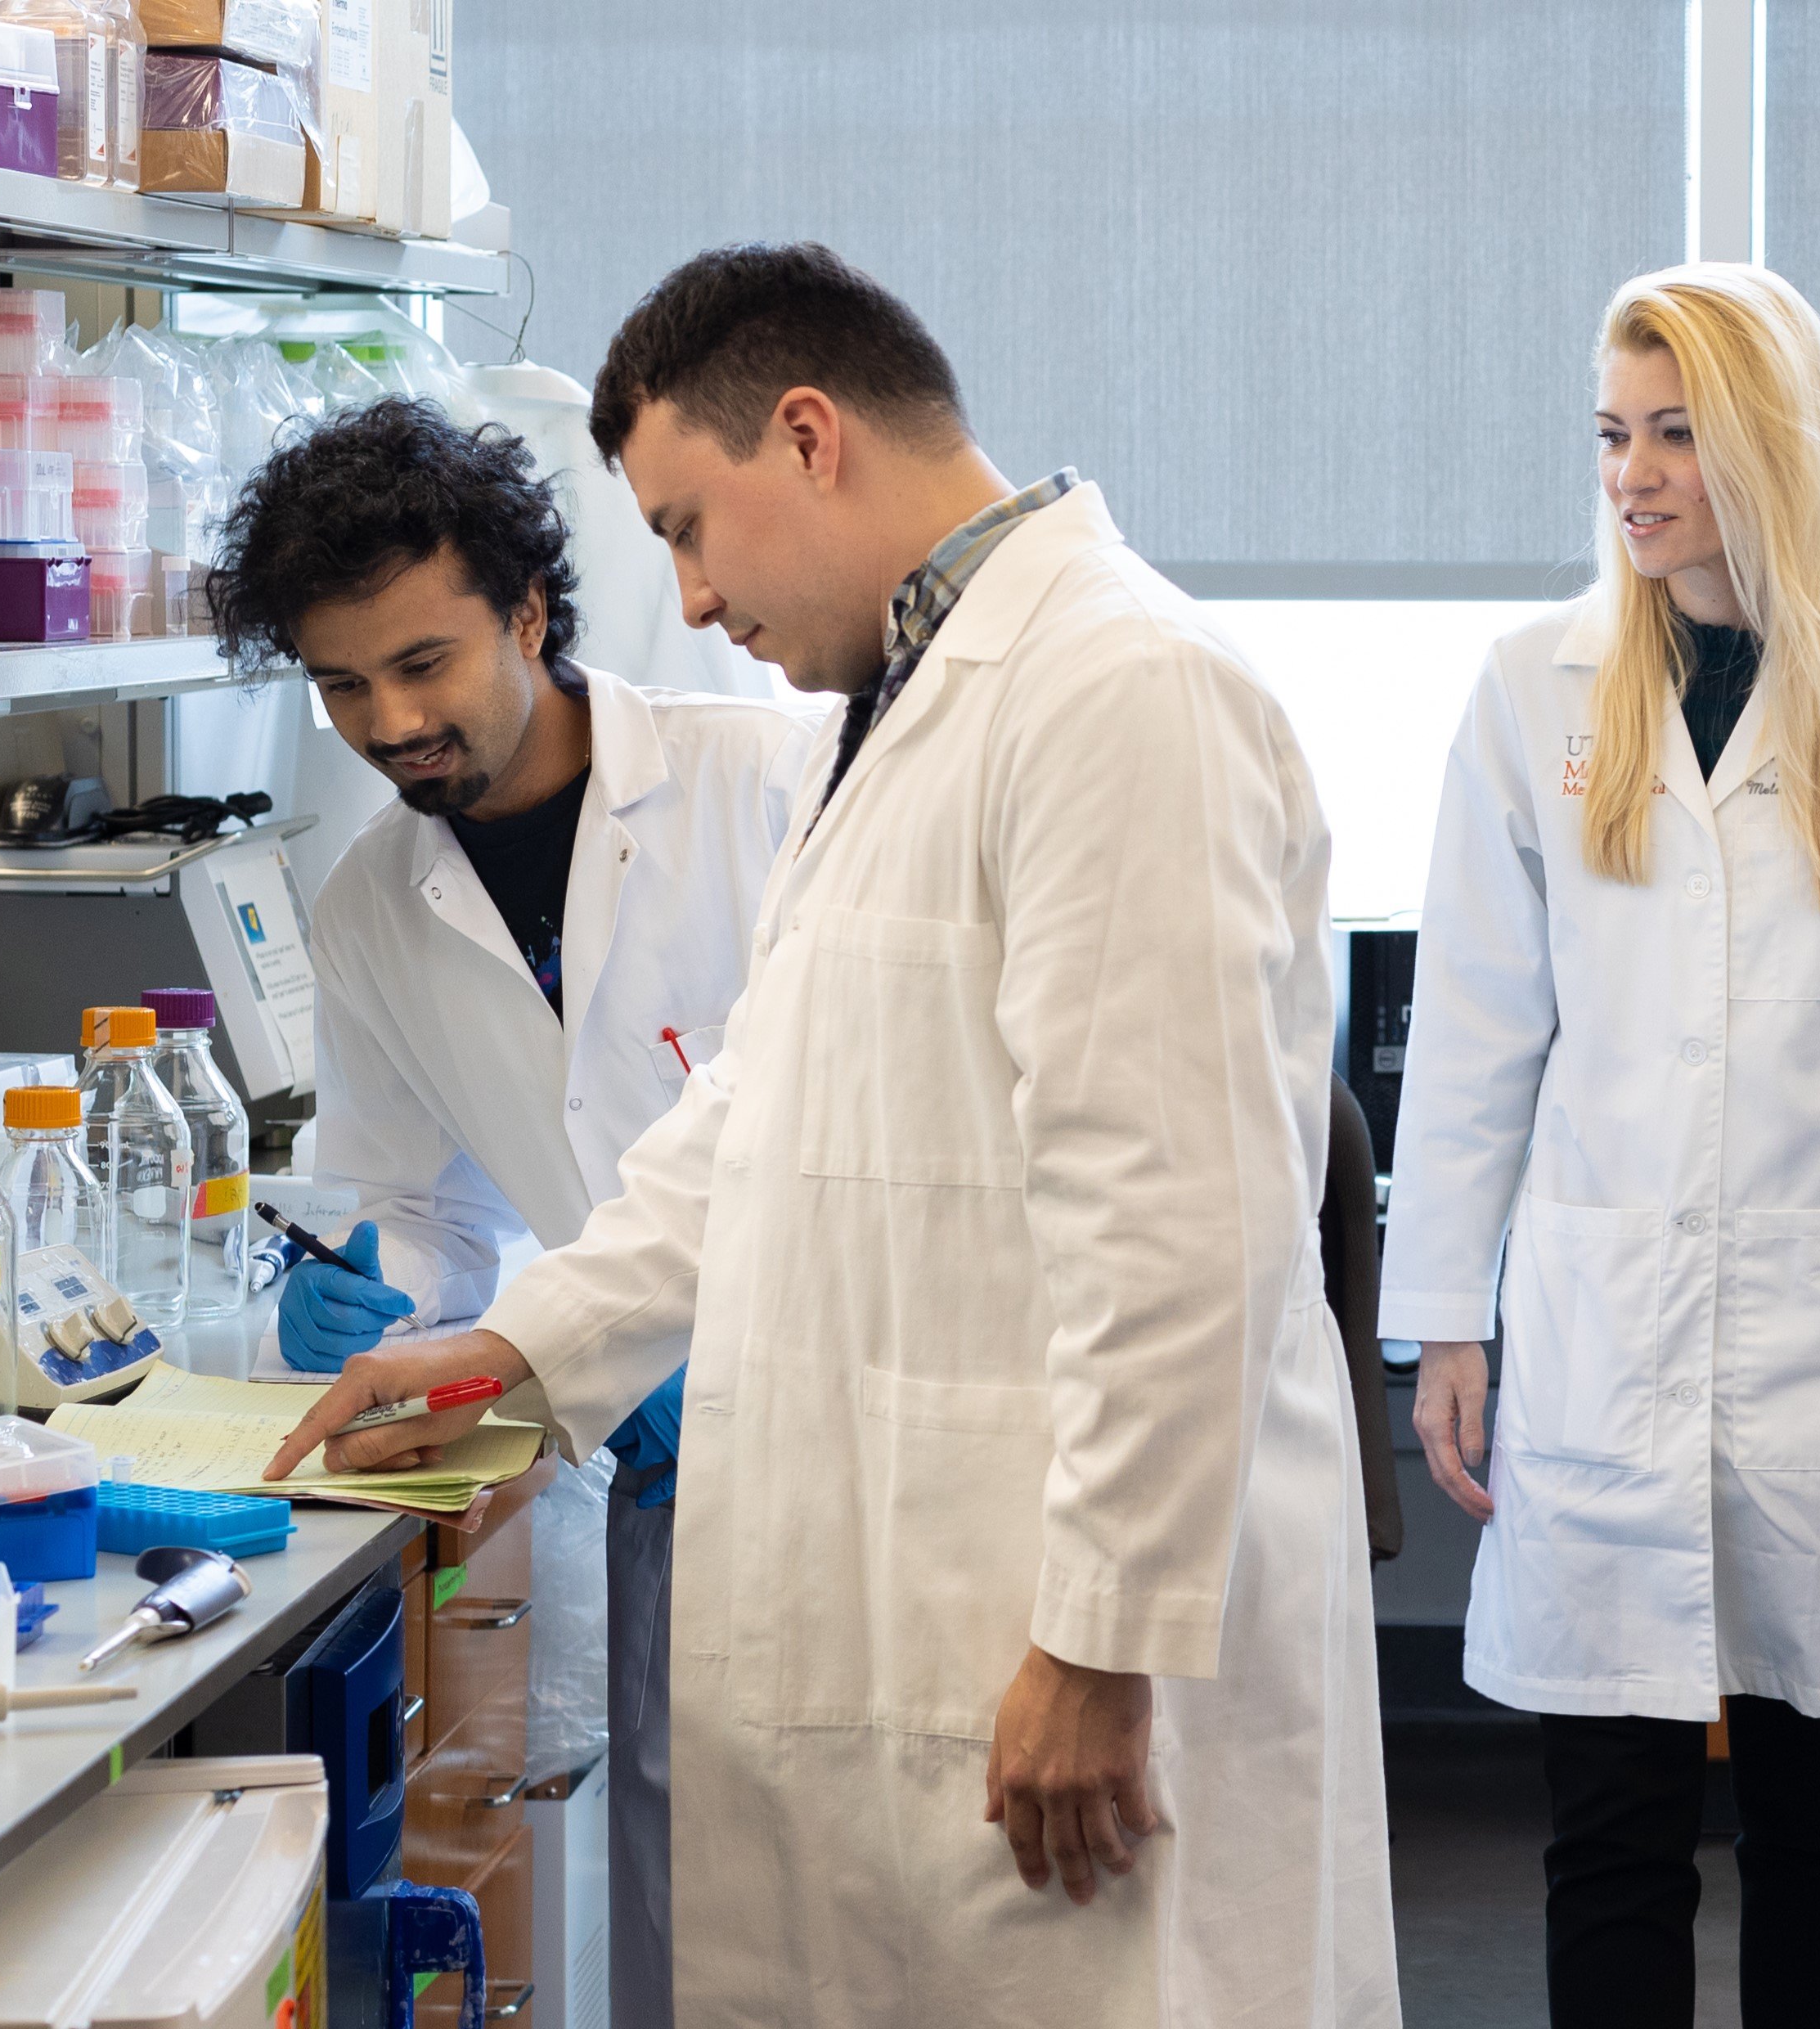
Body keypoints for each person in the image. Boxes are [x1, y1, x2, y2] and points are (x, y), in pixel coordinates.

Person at [261, 242, 1397, 2026]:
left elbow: (1182, 1220)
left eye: (689, 529)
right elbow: (757, 1112)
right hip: (911, 1592)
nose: (692, 597)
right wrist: (520, 1348)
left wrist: (1101, 1637)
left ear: (808, 436)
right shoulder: (900, 709)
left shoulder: (1120, 688)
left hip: (1047, 1634)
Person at [1385, 263, 1820, 2029]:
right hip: (1602, 1329)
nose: (1633, 473)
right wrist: (1443, 1319)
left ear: (1772, 441)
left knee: (1817, 1825)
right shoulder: (1534, 686)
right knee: (1608, 1830)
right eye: (1612, 433)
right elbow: (1476, 1031)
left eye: (1675, 432)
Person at [206, 395, 831, 2029]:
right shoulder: (371, 906)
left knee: (896, 1924)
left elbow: (872, 1147)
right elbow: (425, 1207)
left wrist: (699, 1341)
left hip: (866, 1455)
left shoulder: (769, 785)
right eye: (343, 686)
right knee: (697, 1936)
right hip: (665, 1476)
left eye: (424, 663)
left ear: (532, 615)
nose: (391, 721)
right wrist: (375, 1287)